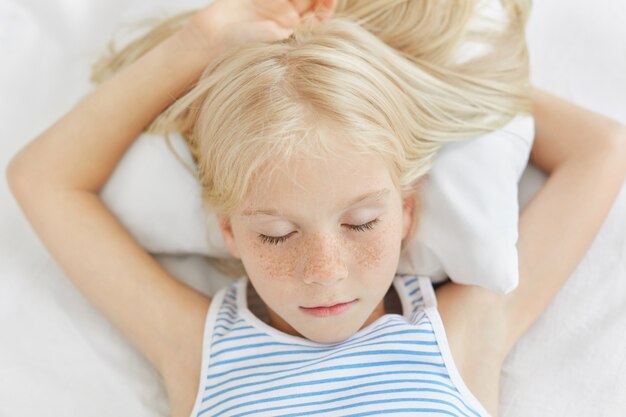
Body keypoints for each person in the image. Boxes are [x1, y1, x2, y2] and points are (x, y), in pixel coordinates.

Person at [6, 0, 626, 416]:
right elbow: (42, 179)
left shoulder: (458, 336)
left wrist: (421, 76)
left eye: (362, 223)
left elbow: (604, 149)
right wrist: (194, 45)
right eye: (276, 234)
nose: (324, 269)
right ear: (228, 230)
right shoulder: (198, 349)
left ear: (408, 212)